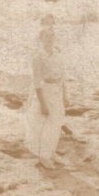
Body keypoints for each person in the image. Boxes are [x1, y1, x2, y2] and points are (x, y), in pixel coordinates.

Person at [25, 28, 68, 169]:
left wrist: (65, 95)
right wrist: (43, 104)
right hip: (45, 91)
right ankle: (43, 156)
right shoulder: (37, 57)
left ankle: (51, 152)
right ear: (41, 39)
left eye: (52, 36)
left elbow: (63, 77)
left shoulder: (59, 54)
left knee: (57, 123)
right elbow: (37, 82)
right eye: (46, 36)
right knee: (44, 125)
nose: (50, 39)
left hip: (57, 91)